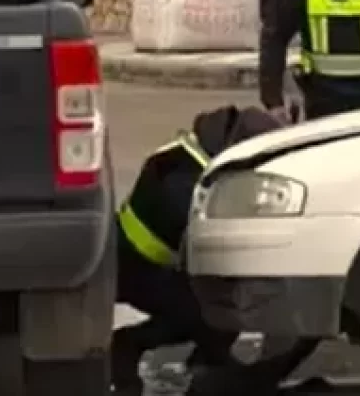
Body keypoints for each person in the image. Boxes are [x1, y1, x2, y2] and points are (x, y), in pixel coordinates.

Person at [113, 105, 282, 395]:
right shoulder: (185, 183)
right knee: (224, 306)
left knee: (222, 299)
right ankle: (130, 346)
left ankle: (206, 362)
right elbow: (217, 251)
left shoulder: (191, 153)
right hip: (137, 269)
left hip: (137, 261)